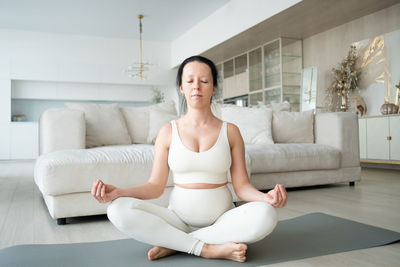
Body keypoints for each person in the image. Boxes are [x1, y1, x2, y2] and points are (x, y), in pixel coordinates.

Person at [91, 55, 287, 263]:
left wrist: (266, 198)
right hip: (177, 220)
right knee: (117, 209)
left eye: (204, 81)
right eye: (190, 81)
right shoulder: (167, 131)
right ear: (181, 88)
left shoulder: (230, 131)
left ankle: (176, 245)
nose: (197, 87)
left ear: (213, 88)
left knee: (267, 214)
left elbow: (242, 187)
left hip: (222, 219)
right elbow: (155, 186)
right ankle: (206, 248)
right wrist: (120, 192)